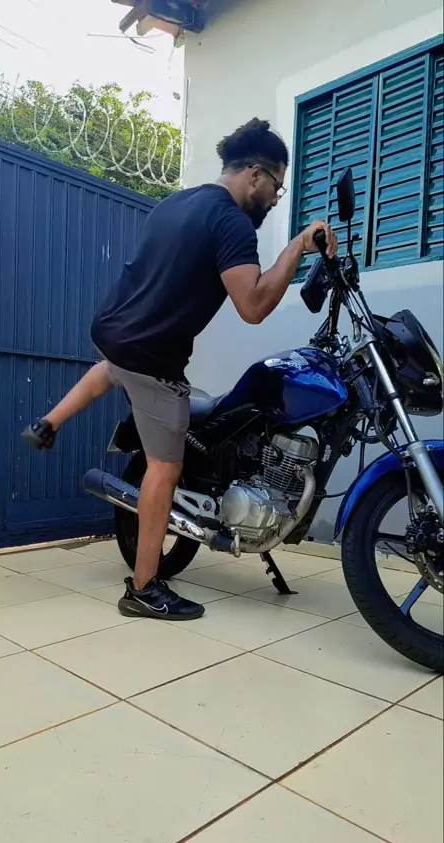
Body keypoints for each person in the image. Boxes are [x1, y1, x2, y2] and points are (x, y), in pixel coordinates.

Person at [23, 117, 337, 622]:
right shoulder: (231, 222)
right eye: (277, 187)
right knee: (164, 469)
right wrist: (296, 248)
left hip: (115, 331)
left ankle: (49, 422)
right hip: (154, 358)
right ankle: (143, 588)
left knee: (111, 369)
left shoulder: (175, 203)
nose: (276, 198)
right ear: (255, 175)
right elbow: (253, 306)